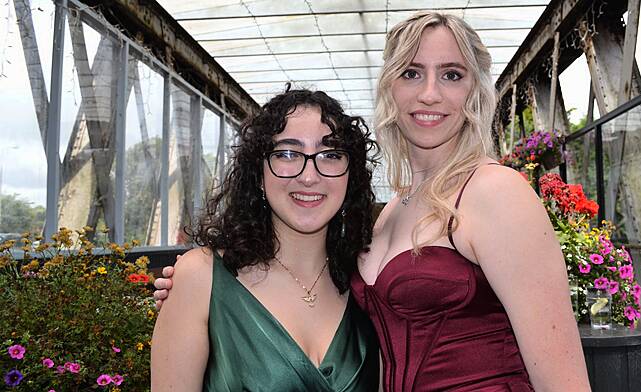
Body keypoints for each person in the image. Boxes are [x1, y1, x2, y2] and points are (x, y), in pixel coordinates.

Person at [156, 12, 591, 391]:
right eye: (412, 73)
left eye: (452, 75)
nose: (430, 94)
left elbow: (565, 381)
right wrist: (202, 296)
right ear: (390, 89)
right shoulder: (389, 216)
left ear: (475, 93)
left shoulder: (495, 191)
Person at [150, 88, 380, 391]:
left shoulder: (369, 282)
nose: (309, 176)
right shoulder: (202, 277)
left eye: (330, 154)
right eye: (287, 153)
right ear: (259, 173)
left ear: (350, 176)